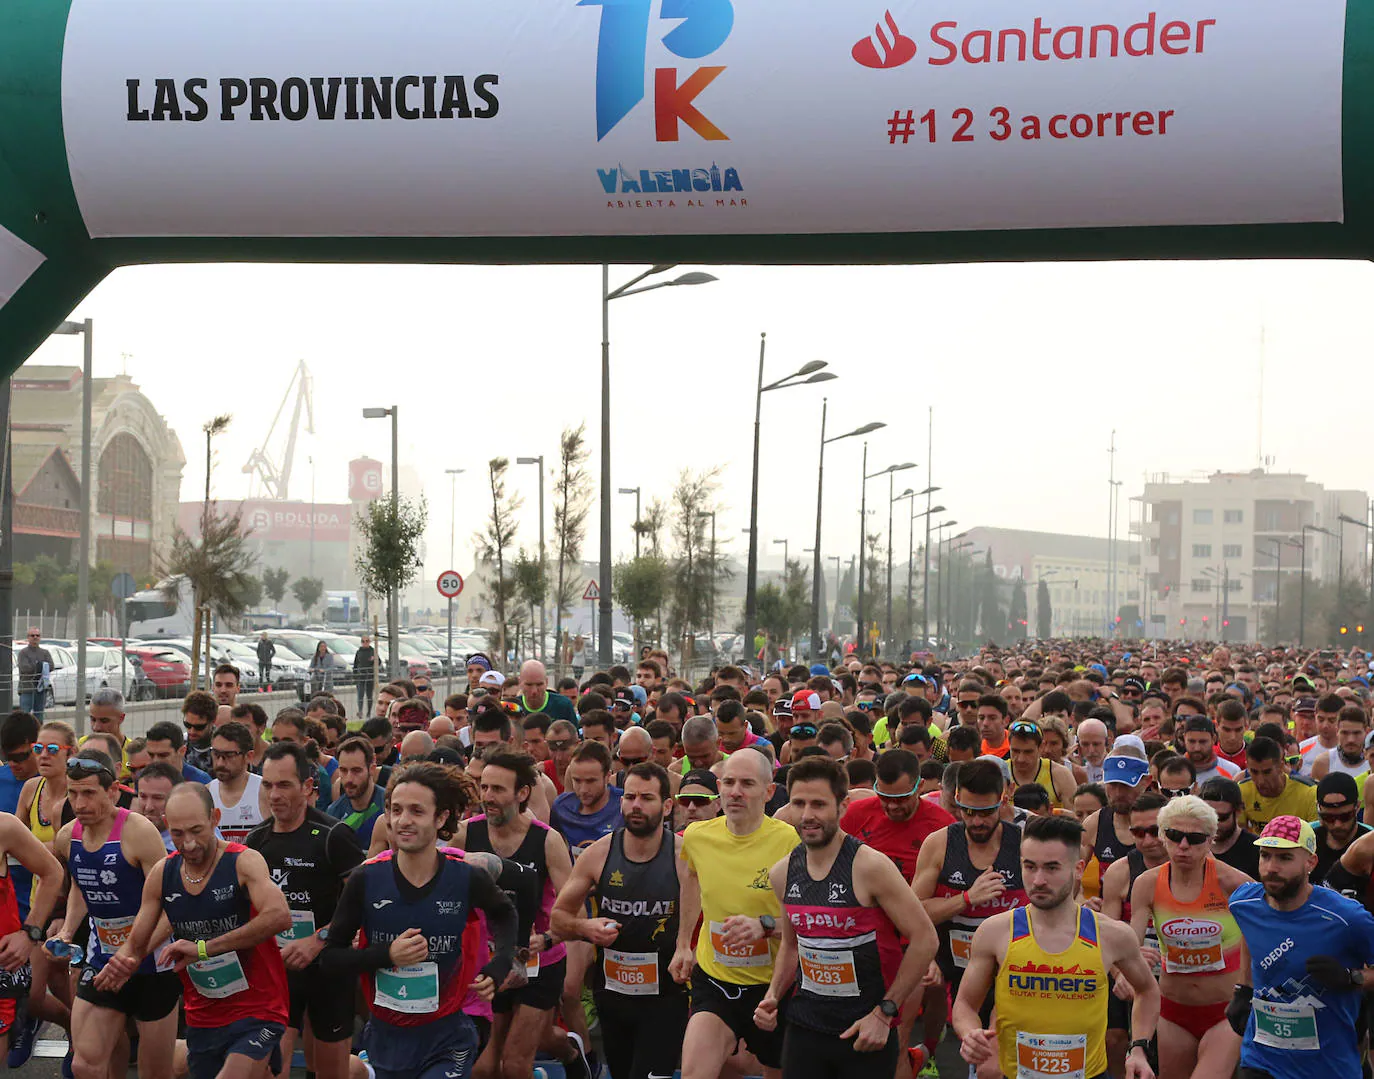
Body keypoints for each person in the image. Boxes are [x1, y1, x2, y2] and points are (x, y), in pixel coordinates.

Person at [753, 756, 940, 1079]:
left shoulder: (870, 867)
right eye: (799, 803)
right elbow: (793, 946)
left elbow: (925, 939)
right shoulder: (783, 872)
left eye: (819, 804)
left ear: (842, 807)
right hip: (806, 1026)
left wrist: (885, 1013)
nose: (808, 815)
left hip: (864, 1030)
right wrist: (773, 995)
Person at [103, 783, 292, 1079]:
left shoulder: (243, 862)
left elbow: (280, 916)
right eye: (178, 834)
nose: (189, 843)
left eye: (196, 831)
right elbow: (137, 942)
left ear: (214, 818)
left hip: (258, 1009)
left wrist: (204, 948)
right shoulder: (163, 874)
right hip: (203, 1015)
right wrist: (124, 959)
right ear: (166, 825)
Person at [952, 814, 1160, 1079]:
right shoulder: (996, 931)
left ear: (1078, 868)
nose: (1038, 880)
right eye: (1030, 867)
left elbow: (1147, 991)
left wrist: (1139, 1048)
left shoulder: (1111, 934)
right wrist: (970, 1033)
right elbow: (965, 1005)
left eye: (1051, 868)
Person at [669, 751, 801, 1079]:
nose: (735, 792)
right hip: (715, 982)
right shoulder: (699, 837)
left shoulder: (788, 841)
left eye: (747, 783)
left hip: (774, 987)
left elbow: (807, 924)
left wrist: (765, 926)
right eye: (728, 783)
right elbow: (692, 883)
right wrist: (683, 942)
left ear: (769, 792)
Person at [551, 761, 687, 1079]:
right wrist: (586, 927)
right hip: (612, 993)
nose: (636, 805)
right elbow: (559, 918)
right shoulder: (599, 854)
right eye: (629, 797)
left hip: (666, 995)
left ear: (667, 806)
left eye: (647, 798)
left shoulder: (683, 856)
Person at [50, 748, 180, 1079]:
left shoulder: (138, 832)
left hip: (153, 966)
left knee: (155, 1072)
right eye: (73, 793)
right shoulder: (68, 836)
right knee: (86, 1065)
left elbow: (172, 904)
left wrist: (135, 953)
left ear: (113, 790)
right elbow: (82, 885)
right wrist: (67, 930)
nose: (79, 804)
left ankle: (204, 1050)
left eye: (89, 793)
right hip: (103, 962)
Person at [454, 751, 584, 1079]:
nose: (487, 797)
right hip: (489, 958)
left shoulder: (547, 840)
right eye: (483, 788)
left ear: (522, 793)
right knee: (485, 1066)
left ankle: (570, 1055)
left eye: (497, 789)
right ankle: (569, 1050)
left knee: (514, 1063)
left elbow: (575, 909)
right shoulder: (464, 834)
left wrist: (548, 938)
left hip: (538, 960)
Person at [245, 742, 363, 1079]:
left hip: (328, 969)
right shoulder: (256, 842)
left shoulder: (333, 836)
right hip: (278, 970)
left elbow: (362, 900)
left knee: (328, 1070)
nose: (274, 794)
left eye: (284, 785)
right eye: (267, 785)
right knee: (271, 1069)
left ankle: (365, 1071)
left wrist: (320, 938)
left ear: (308, 787)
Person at [1227, 815, 1374, 1079]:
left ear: (1310, 862)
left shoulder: (1347, 918)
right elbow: (1250, 935)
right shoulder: (1243, 903)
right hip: (1261, 1060)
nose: (1271, 867)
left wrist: (1351, 978)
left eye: (1284, 858)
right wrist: (1243, 987)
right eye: (1265, 856)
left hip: (1328, 1065)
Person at [912, 758, 1028, 1079]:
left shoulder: (1023, 845)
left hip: (1009, 968)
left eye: (986, 812)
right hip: (955, 965)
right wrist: (966, 899)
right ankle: (931, 1050)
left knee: (991, 1065)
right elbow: (914, 909)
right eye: (967, 811)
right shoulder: (940, 843)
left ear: (1003, 801)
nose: (976, 821)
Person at [1128, 793, 1249, 1079]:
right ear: (1162, 835)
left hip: (1225, 1012)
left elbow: (1267, 939)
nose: (1183, 846)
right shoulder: (1146, 884)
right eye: (1174, 835)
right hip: (1173, 1012)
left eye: (1194, 839)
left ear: (1210, 840)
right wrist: (1127, 968)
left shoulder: (1234, 883)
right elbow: (1130, 945)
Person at [205, 720, 267, 843]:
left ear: (249, 756)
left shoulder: (265, 792)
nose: (220, 763)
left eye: (229, 755)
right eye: (216, 754)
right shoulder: (205, 794)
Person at [1237, 736, 1318, 829]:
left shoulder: (1309, 793)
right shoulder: (1242, 791)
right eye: (1254, 772)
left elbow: (1316, 837)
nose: (1261, 781)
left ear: (1281, 766)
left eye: (1267, 772)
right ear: (1247, 767)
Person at [1310, 771, 1370, 885]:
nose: (1337, 824)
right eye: (1328, 817)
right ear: (1319, 809)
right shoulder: (1305, 837)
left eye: (1345, 816)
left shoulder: (1369, 843)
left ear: (1357, 807)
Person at [327, 735, 387, 845]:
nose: (349, 779)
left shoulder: (389, 807)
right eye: (343, 770)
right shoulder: (333, 813)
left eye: (356, 770)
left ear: (372, 769)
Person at [1007, 720, 1076, 810]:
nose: (1021, 759)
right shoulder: (999, 772)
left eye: (1028, 752)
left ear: (1041, 747)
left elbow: (1077, 817)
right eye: (1015, 751)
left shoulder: (1060, 774)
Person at [1200, 777, 1261, 880]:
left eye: (1221, 818)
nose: (1214, 825)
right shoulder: (1191, 845)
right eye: (1207, 817)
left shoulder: (1257, 850)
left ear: (1238, 811)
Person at [135, 761, 184, 852]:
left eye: (158, 798)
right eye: (143, 797)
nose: (148, 807)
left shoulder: (195, 841)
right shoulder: (126, 837)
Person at [144, 720, 212, 783]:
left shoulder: (201, 781)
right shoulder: (143, 779)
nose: (155, 761)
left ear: (182, 751)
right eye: (151, 755)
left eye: (163, 755)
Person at [516, 661, 578, 725]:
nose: (534, 691)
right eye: (529, 685)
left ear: (546, 682)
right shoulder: (512, 706)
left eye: (539, 684)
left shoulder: (563, 705)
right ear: (520, 683)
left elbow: (575, 733)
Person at [16, 630, 52, 719]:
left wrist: (37, 666)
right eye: (32, 635)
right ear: (28, 638)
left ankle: (39, 732)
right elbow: (25, 668)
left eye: (37, 635)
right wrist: (41, 666)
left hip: (41, 689)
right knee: (25, 716)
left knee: (39, 716)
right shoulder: (23, 653)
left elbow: (51, 666)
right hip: (26, 689)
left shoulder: (45, 652)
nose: (35, 637)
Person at [181, 691, 219, 775]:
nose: (192, 731)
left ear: (213, 721)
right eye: (187, 725)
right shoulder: (181, 744)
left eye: (199, 727)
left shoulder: (223, 747)